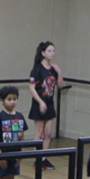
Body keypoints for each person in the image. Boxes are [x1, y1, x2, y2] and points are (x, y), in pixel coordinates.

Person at [28, 41, 63, 170]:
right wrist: (41, 102)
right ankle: (36, 158)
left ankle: (43, 158)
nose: (52, 53)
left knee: (48, 134)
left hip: (50, 103)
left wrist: (59, 72)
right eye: (49, 51)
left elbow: (60, 85)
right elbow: (32, 88)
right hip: (39, 104)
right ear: (43, 53)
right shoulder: (37, 69)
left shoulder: (53, 69)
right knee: (39, 133)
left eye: (53, 51)